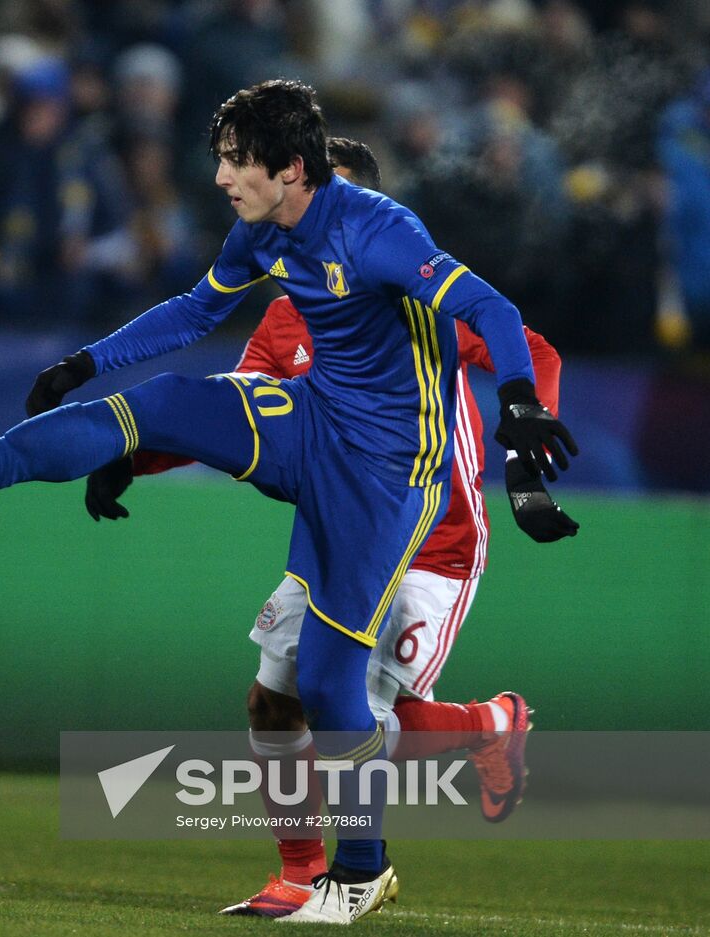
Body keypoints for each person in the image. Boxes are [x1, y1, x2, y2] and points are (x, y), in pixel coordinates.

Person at [0, 80, 577, 924]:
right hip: (316, 426)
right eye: (220, 158)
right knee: (169, 402)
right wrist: (88, 368)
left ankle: (363, 869)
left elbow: (494, 311)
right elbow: (195, 309)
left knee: (330, 685)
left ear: (292, 170)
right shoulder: (263, 238)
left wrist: (520, 413)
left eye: (235, 160)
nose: (219, 177)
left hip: (390, 478)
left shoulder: (382, 234)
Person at [83, 138, 576, 917]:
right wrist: (131, 458)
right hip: (339, 534)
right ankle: (299, 874)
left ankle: (492, 724)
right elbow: (232, 413)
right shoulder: (283, 321)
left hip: (433, 541)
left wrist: (525, 439)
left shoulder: (413, 291)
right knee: (273, 701)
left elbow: (534, 349)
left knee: (370, 718)